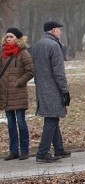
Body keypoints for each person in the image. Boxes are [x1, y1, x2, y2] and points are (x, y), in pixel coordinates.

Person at [30, 21, 71, 163]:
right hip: (53, 88)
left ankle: (59, 149)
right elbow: (59, 72)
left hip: (41, 87)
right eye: (59, 30)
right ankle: (42, 152)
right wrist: (65, 90)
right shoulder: (54, 46)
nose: (60, 32)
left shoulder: (37, 45)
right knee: (51, 119)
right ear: (53, 31)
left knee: (52, 117)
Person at [0, 28, 34, 160]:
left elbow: (30, 71)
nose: (8, 39)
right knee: (10, 123)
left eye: (11, 36)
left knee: (21, 122)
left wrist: (19, 82)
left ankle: (24, 150)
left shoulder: (23, 53)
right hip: (6, 94)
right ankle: (13, 151)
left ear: (18, 38)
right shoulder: (2, 52)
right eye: (7, 36)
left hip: (18, 93)